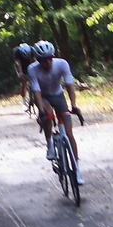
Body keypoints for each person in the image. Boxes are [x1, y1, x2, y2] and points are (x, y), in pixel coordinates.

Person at [27, 40, 84, 186]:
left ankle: (77, 169)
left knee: (69, 134)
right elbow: (36, 91)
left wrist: (73, 105)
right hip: (43, 97)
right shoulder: (32, 69)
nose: (47, 62)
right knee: (48, 113)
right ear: (37, 60)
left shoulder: (62, 64)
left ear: (53, 57)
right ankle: (50, 144)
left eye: (49, 58)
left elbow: (69, 84)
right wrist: (41, 111)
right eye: (43, 60)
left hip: (58, 95)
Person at [12, 40, 37, 114]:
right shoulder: (17, 51)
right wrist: (20, 73)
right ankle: (24, 102)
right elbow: (18, 63)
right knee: (24, 82)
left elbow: (35, 60)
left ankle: (35, 97)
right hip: (21, 67)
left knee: (35, 80)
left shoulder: (32, 50)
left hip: (30, 65)